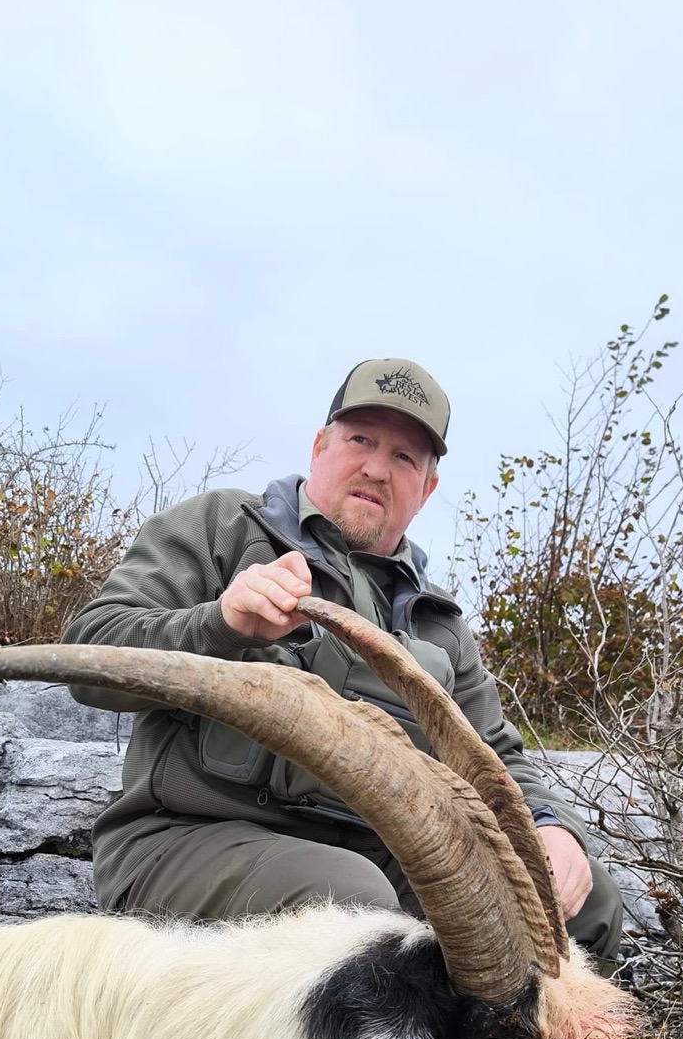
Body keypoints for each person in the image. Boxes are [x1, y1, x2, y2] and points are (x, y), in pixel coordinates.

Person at [62, 358, 624, 971]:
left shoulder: (442, 625)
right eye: (361, 440)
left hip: (383, 861)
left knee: (587, 903)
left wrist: (551, 827)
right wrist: (221, 624)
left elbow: (497, 758)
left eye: (405, 457)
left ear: (427, 487)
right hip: (184, 841)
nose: (377, 468)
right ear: (320, 445)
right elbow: (90, 656)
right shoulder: (221, 526)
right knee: (355, 912)